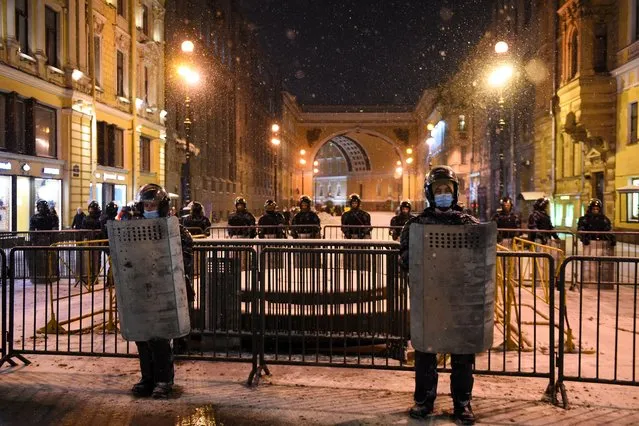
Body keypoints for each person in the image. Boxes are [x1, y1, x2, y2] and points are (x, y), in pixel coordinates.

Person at [399, 166, 478, 424]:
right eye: (438, 190)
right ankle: (424, 401)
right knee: (425, 354)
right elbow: (404, 259)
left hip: (458, 301)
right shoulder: (415, 225)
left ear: (455, 192)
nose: (443, 193)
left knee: (462, 356)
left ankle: (462, 404)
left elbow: (479, 262)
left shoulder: (469, 224)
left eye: (447, 189)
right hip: (429, 300)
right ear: (430, 194)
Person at [130, 183, 194, 399]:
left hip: (165, 290)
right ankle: (147, 379)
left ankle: (164, 380)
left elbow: (183, 257)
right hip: (142, 289)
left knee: (160, 338)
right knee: (142, 336)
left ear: (163, 206)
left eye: (153, 204)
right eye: (146, 204)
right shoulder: (135, 228)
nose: (149, 208)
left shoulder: (176, 228)